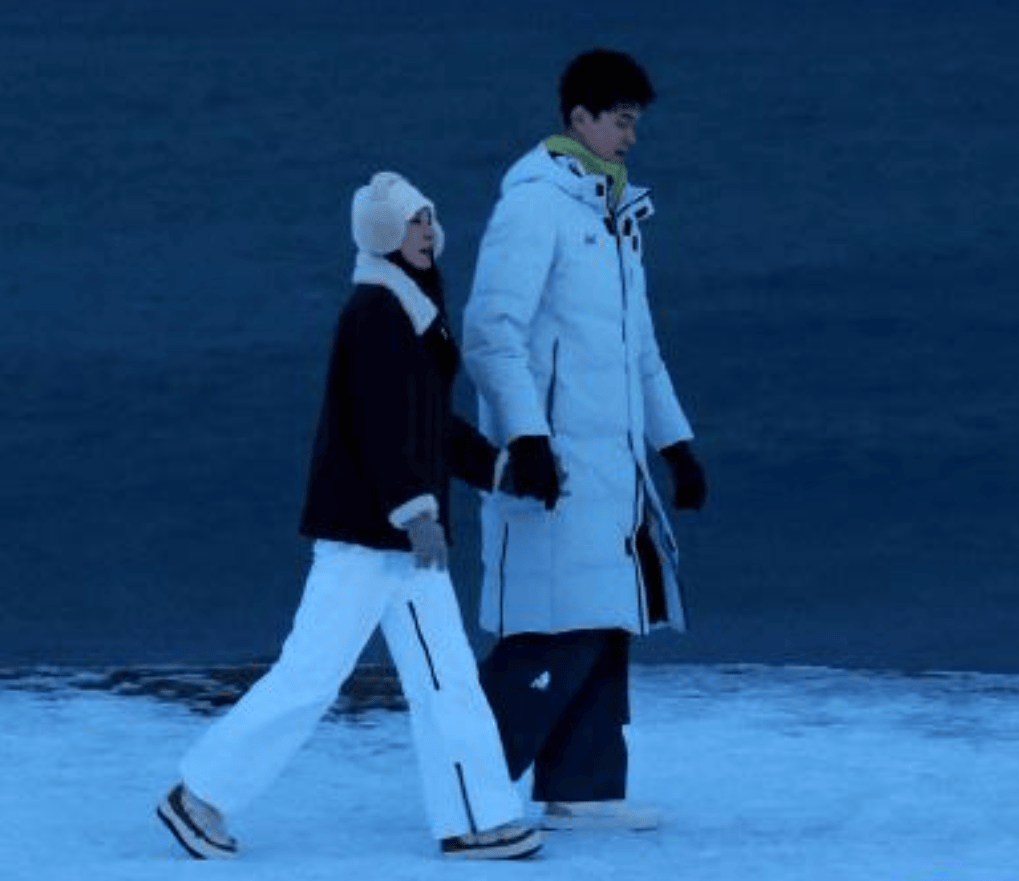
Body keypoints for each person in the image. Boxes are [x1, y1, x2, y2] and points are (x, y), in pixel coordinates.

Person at [156, 172, 542, 862]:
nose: (427, 232)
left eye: (429, 220)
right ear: (381, 233)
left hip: (405, 543)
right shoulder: (375, 312)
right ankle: (200, 796)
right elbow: (379, 425)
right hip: (368, 538)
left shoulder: (411, 310)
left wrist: (497, 469)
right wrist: (416, 512)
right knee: (310, 676)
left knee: (446, 678)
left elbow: (428, 422)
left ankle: (476, 818)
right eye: (413, 222)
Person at [462, 49, 708, 832]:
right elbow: (490, 331)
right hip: (556, 468)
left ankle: (582, 790)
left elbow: (640, 351)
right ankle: (467, 786)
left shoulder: (613, 215)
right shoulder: (535, 206)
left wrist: (675, 446)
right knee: (549, 630)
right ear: (580, 117)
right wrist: (527, 440)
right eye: (621, 119)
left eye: (635, 120)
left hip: (612, 467)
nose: (632, 135)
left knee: (604, 622)